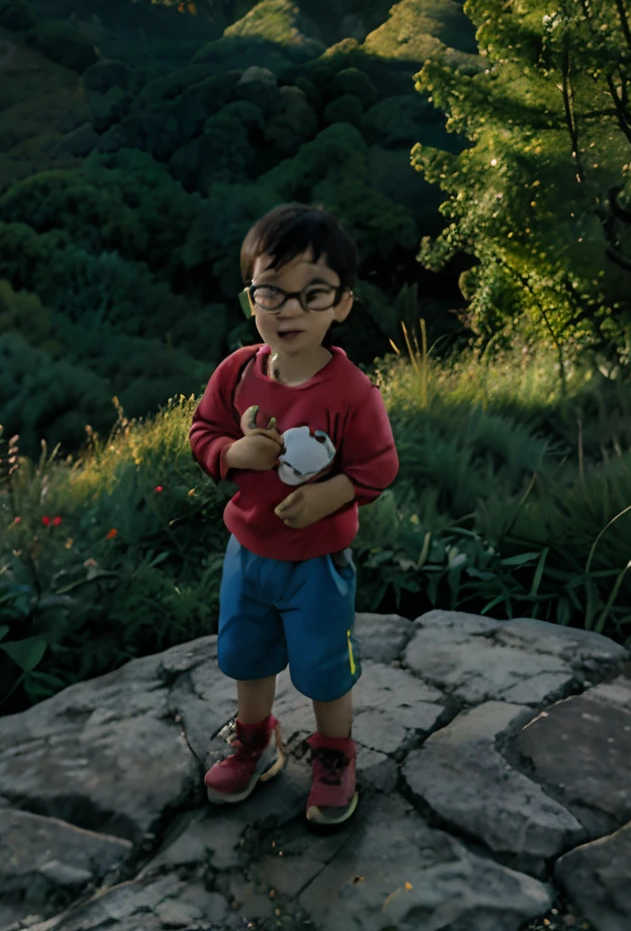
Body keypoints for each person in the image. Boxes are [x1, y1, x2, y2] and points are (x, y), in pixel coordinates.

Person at [189, 202, 399, 831]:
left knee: (323, 667)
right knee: (247, 657)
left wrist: (326, 498)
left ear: (342, 305)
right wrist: (233, 453)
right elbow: (201, 433)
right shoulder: (235, 373)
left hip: (317, 563)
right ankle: (256, 741)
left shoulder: (352, 392)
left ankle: (334, 755)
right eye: (271, 293)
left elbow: (380, 467)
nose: (289, 311)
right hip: (248, 554)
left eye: (312, 295)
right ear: (248, 297)